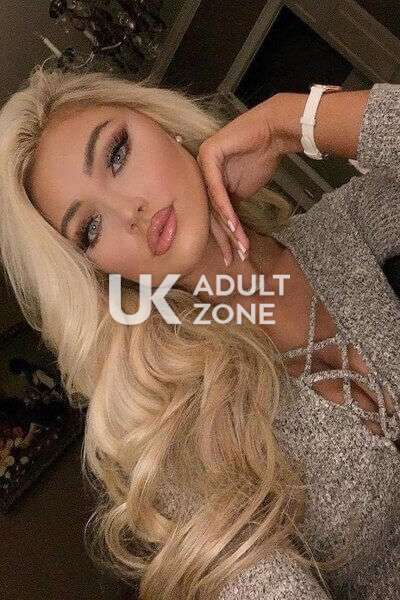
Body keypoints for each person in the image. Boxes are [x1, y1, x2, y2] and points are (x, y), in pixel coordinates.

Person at [0, 66, 398, 600]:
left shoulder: (341, 231)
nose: (130, 212)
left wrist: (292, 120)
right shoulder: (178, 426)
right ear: (95, 272)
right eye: (90, 229)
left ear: (164, 127)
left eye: (116, 154)